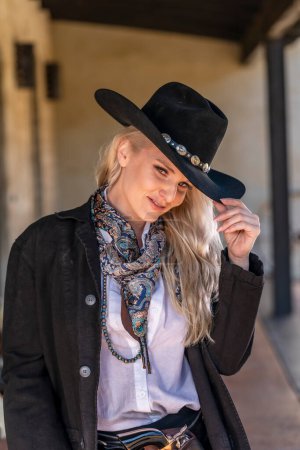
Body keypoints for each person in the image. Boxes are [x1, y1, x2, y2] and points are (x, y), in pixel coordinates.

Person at [2, 82, 264, 450]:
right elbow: (24, 374)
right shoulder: (44, 246)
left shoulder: (189, 249)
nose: (169, 196)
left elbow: (227, 360)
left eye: (184, 186)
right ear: (124, 152)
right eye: (161, 170)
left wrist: (238, 259)